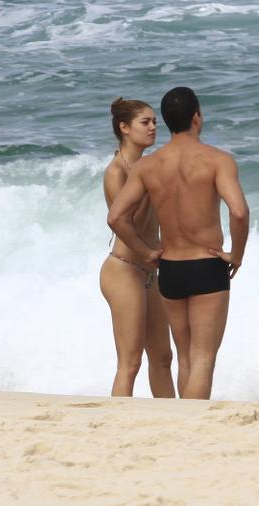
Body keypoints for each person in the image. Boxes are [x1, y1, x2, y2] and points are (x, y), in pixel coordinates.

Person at [108, 87, 249, 400]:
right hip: (207, 265)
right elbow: (238, 212)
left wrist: (147, 253)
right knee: (202, 359)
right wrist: (235, 256)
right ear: (197, 117)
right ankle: (192, 426)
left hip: (170, 269)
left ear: (168, 123)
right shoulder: (218, 160)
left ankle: (181, 421)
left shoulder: (147, 167)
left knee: (184, 357)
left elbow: (116, 217)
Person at [99, 97, 175, 398]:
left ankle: (172, 417)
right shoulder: (116, 172)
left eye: (155, 121)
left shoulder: (147, 166)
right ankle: (117, 424)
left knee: (163, 357)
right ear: (124, 127)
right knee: (130, 363)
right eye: (146, 122)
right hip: (124, 270)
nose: (154, 127)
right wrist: (147, 253)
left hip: (150, 271)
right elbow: (121, 222)